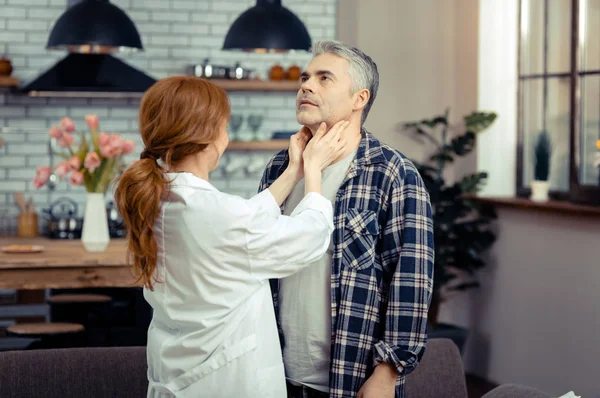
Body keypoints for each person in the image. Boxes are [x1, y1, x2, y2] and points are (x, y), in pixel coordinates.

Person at [114, 76, 349, 398]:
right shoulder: (216, 213)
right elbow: (308, 238)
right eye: (225, 126)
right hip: (225, 382)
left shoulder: (163, 198)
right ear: (210, 134)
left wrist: (293, 170)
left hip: (177, 375)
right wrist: (314, 171)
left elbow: (240, 226)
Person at [258, 41, 435, 398]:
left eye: (324, 79)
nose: (305, 85)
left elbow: (410, 281)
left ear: (360, 99)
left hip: (349, 378)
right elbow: (255, 258)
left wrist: (388, 372)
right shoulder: (281, 167)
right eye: (305, 77)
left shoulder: (394, 174)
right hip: (271, 373)